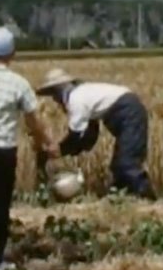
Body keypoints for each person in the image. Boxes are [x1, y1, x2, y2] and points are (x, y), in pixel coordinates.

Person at [0, 26, 56, 270]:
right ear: (12, 54)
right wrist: (44, 142)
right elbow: (33, 118)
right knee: (1, 203)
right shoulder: (19, 83)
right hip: (2, 151)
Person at [36, 68, 155, 200]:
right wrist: (80, 148)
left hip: (129, 114)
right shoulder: (84, 94)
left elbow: (75, 135)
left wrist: (59, 151)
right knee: (118, 165)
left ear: (58, 92)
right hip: (129, 111)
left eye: (53, 94)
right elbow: (91, 132)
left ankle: (149, 200)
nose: (55, 100)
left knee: (127, 164)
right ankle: (121, 198)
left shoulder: (76, 99)